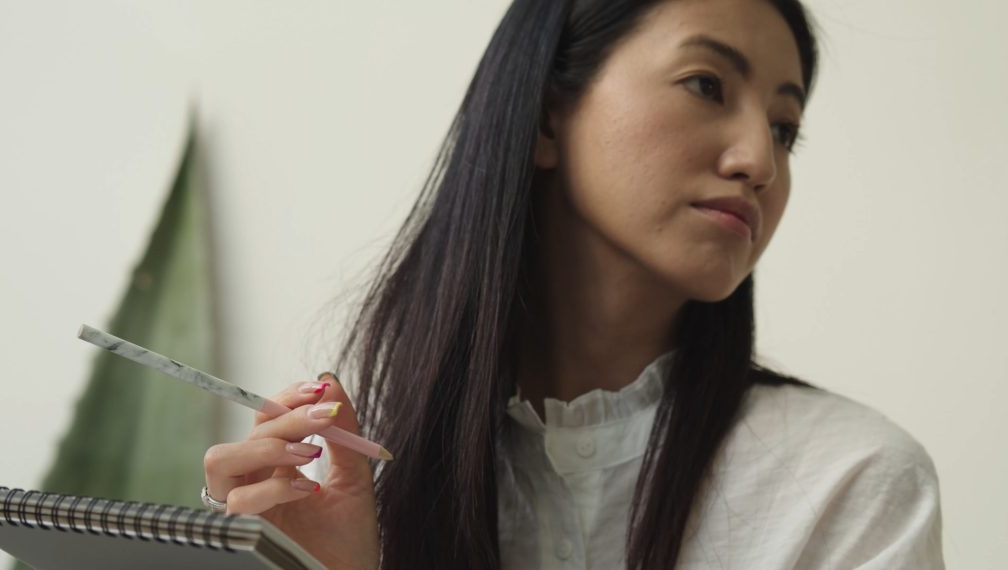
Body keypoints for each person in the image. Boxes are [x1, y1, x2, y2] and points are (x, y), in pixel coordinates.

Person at [202, 0, 945, 567]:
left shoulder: (850, 481)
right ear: (548, 116)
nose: (761, 160)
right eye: (707, 84)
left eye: (785, 127)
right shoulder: (360, 470)